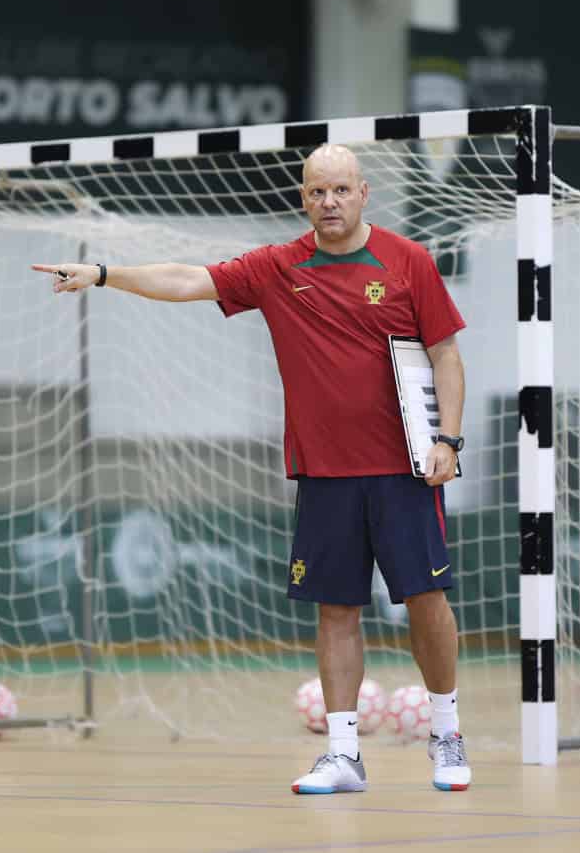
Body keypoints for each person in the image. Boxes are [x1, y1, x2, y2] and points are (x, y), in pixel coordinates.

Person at [32, 144, 471, 794]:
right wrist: (103, 273)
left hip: (405, 469)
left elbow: (446, 355)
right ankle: (343, 754)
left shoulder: (408, 261)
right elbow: (187, 279)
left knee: (426, 601)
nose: (329, 202)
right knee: (335, 610)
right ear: (303, 198)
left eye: (341, 190)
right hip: (323, 473)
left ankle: (446, 733)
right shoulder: (278, 266)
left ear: (363, 192)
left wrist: (450, 440)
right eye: (317, 191)